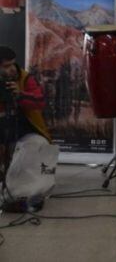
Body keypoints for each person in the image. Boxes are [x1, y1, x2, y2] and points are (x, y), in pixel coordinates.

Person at [0, 46, 51, 212]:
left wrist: (20, 95)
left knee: (40, 144)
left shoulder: (24, 78)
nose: (12, 69)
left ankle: (21, 195)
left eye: (13, 64)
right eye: (6, 66)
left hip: (22, 136)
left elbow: (40, 101)